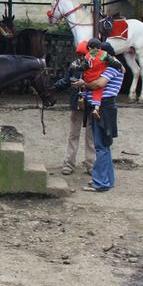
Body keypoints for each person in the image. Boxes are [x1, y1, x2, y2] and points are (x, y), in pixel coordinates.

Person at [72, 41, 123, 192]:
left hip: (104, 108)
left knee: (100, 146)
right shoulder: (112, 66)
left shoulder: (111, 68)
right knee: (104, 145)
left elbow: (99, 84)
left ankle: (100, 182)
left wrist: (84, 83)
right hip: (105, 107)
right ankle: (107, 179)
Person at [55, 40, 95, 176]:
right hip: (77, 103)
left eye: (83, 55)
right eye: (79, 55)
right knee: (74, 134)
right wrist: (53, 86)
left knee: (90, 135)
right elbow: (66, 81)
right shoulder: (74, 66)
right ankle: (69, 163)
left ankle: (90, 164)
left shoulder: (95, 66)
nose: (81, 58)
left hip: (90, 103)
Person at [72, 38, 124, 120]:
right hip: (97, 77)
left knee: (85, 87)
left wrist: (75, 66)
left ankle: (82, 97)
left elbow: (83, 67)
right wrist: (120, 66)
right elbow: (100, 83)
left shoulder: (88, 56)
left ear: (89, 48)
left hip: (87, 76)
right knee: (98, 91)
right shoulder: (103, 54)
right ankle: (96, 108)